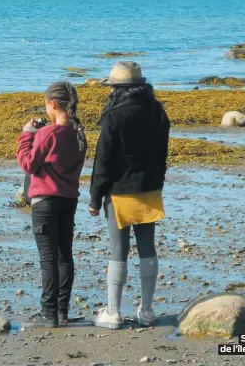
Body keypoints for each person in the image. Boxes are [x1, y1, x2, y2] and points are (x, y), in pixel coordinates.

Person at [89, 61, 170, 330]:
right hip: (149, 188)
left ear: (116, 89)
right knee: (148, 249)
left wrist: (94, 197)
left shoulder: (113, 115)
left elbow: (103, 161)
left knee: (118, 251)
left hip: (119, 191)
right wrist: (158, 183)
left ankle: (112, 313)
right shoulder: (158, 111)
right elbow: (162, 154)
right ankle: (146, 311)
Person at [17, 81, 87, 328]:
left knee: (48, 258)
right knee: (64, 255)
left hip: (45, 201)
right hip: (68, 200)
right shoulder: (78, 132)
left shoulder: (46, 134)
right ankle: (62, 310)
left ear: (53, 104)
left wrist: (27, 134)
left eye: (47, 105)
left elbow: (27, 163)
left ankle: (49, 313)